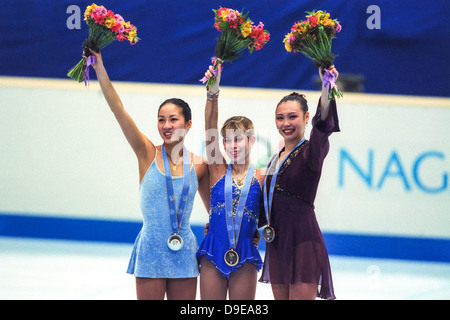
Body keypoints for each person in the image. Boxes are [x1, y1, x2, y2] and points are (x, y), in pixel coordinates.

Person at [89, 49, 210, 300]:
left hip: (184, 250)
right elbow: (118, 110)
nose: (166, 126)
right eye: (161, 119)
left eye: (173, 119)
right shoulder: (146, 154)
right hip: (151, 249)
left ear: (188, 124)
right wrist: (99, 67)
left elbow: (215, 211)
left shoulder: (200, 165)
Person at [259, 66, 340, 300]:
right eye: (280, 117)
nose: (286, 123)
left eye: (292, 117)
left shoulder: (311, 152)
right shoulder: (275, 158)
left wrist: (327, 87)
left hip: (303, 242)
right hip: (277, 242)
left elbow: (323, 125)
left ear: (306, 118)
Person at [196, 64, 264, 300]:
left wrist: (258, 231)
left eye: (239, 139)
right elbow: (210, 130)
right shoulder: (217, 170)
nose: (232, 145)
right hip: (213, 251)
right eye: (227, 140)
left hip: (244, 252)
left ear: (252, 140)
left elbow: (273, 212)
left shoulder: (262, 177)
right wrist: (212, 94)